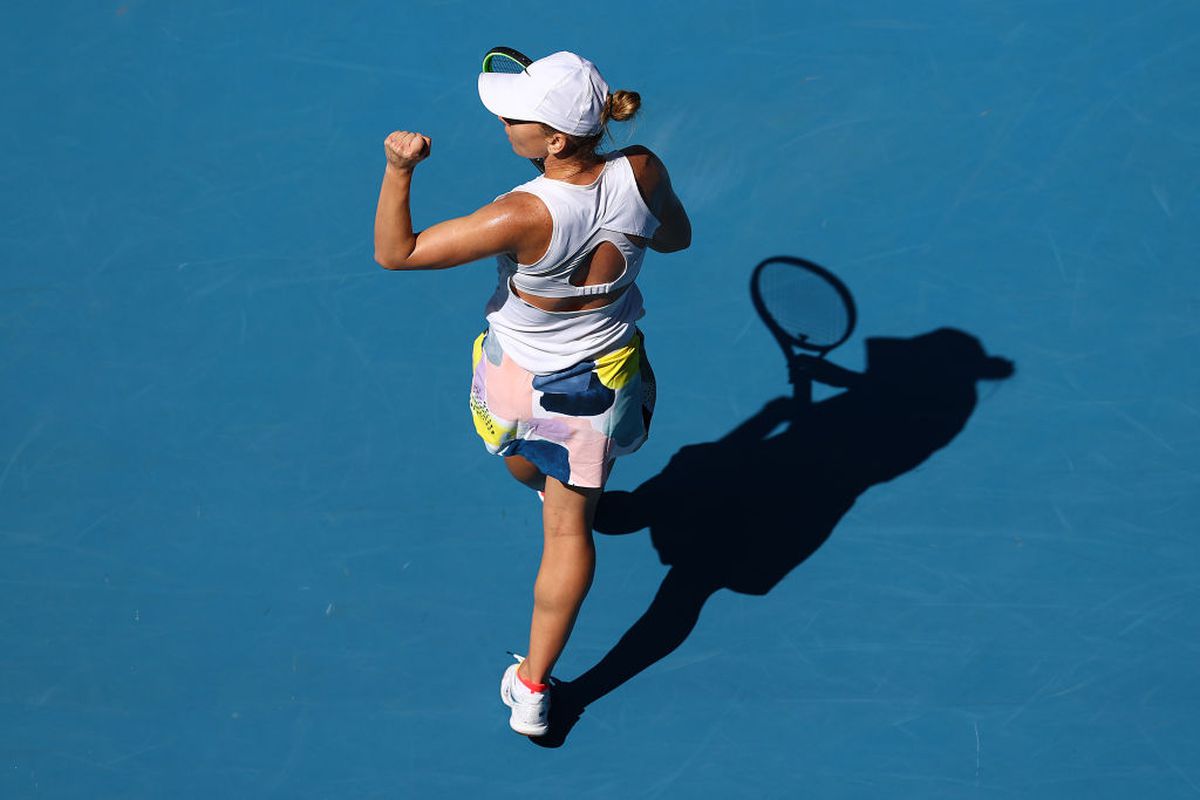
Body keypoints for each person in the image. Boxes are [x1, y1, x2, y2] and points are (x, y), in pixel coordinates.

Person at [373, 50, 691, 737]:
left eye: (514, 116)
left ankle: (534, 683)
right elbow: (675, 237)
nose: (504, 122)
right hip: (598, 390)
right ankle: (537, 678)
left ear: (553, 139)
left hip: (518, 383)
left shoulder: (519, 213)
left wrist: (400, 171)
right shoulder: (643, 170)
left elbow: (396, 252)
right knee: (570, 518)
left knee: (538, 484)